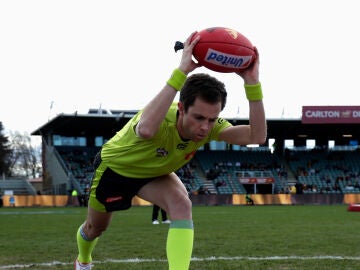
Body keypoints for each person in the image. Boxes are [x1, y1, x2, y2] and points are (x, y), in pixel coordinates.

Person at [74, 31, 266, 270]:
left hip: (153, 174)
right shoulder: (162, 115)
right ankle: (83, 261)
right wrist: (182, 71)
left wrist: (253, 84)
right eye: (198, 118)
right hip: (116, 170)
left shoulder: (210, 125)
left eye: (211, 119)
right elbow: (145, 130)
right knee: (95, 229)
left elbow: (257, 136)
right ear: (182, 109)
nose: (205, 127)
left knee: (181, 203)